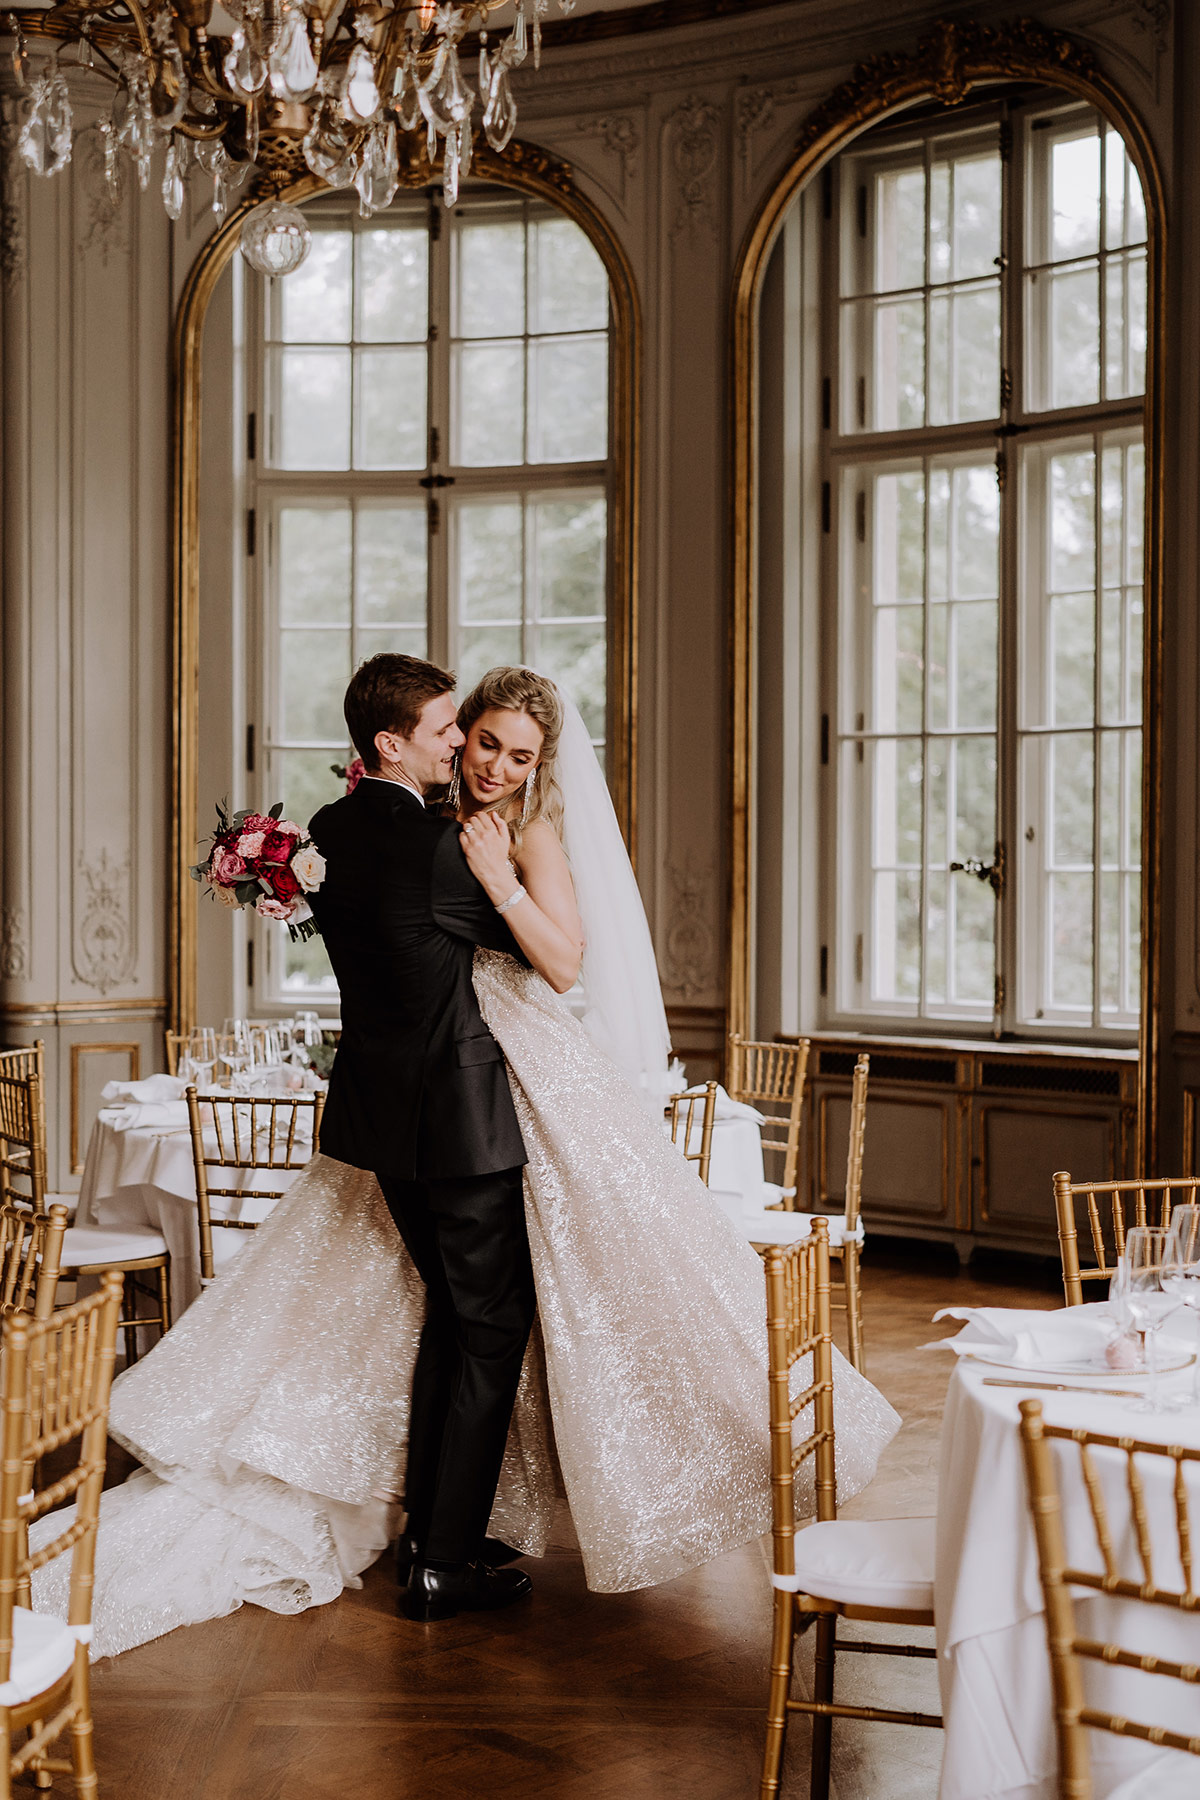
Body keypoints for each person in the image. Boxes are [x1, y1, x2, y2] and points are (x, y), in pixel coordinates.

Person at [31, 660, 900, 1656]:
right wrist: (493, 878)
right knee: (492, 1328)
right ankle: (442, 1558)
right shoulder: (447, 851)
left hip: (380, 1118)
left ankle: (433, 1541)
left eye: (494, 744)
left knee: (457, 1317)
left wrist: (498, 871)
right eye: (462, 734)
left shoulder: (333, 832)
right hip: (458, 1117)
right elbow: (560, 962)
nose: (471, 752)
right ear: (400, 743)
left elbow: (503, 950)